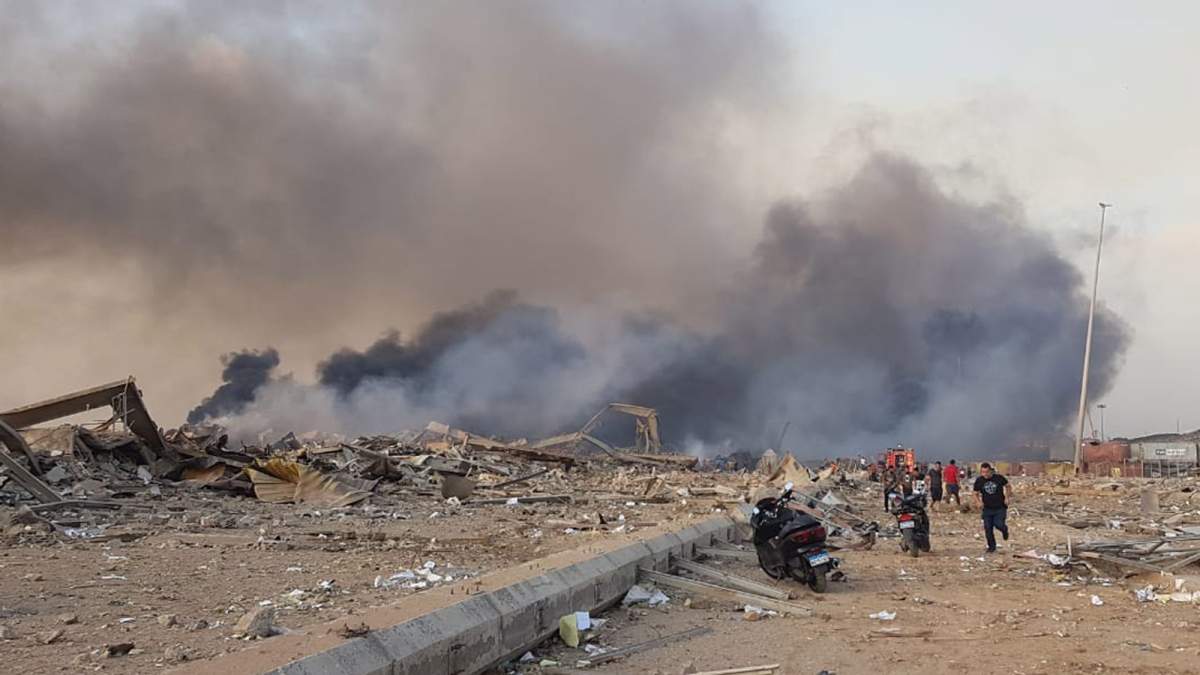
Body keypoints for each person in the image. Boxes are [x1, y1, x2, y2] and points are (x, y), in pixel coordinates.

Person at [973, 462, 1012, 553]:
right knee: (988, 528)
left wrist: (1007, 497)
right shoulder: (979, 480)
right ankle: (991, 547)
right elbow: (975, 493)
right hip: (987, 508)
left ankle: (1004, 530)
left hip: (1000, 507)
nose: (985, 474)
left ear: (990, 471)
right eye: (983, 472)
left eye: (986, 472)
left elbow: (1008, 486)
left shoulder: (998, 478)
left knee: (998, 524)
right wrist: (978, 502)